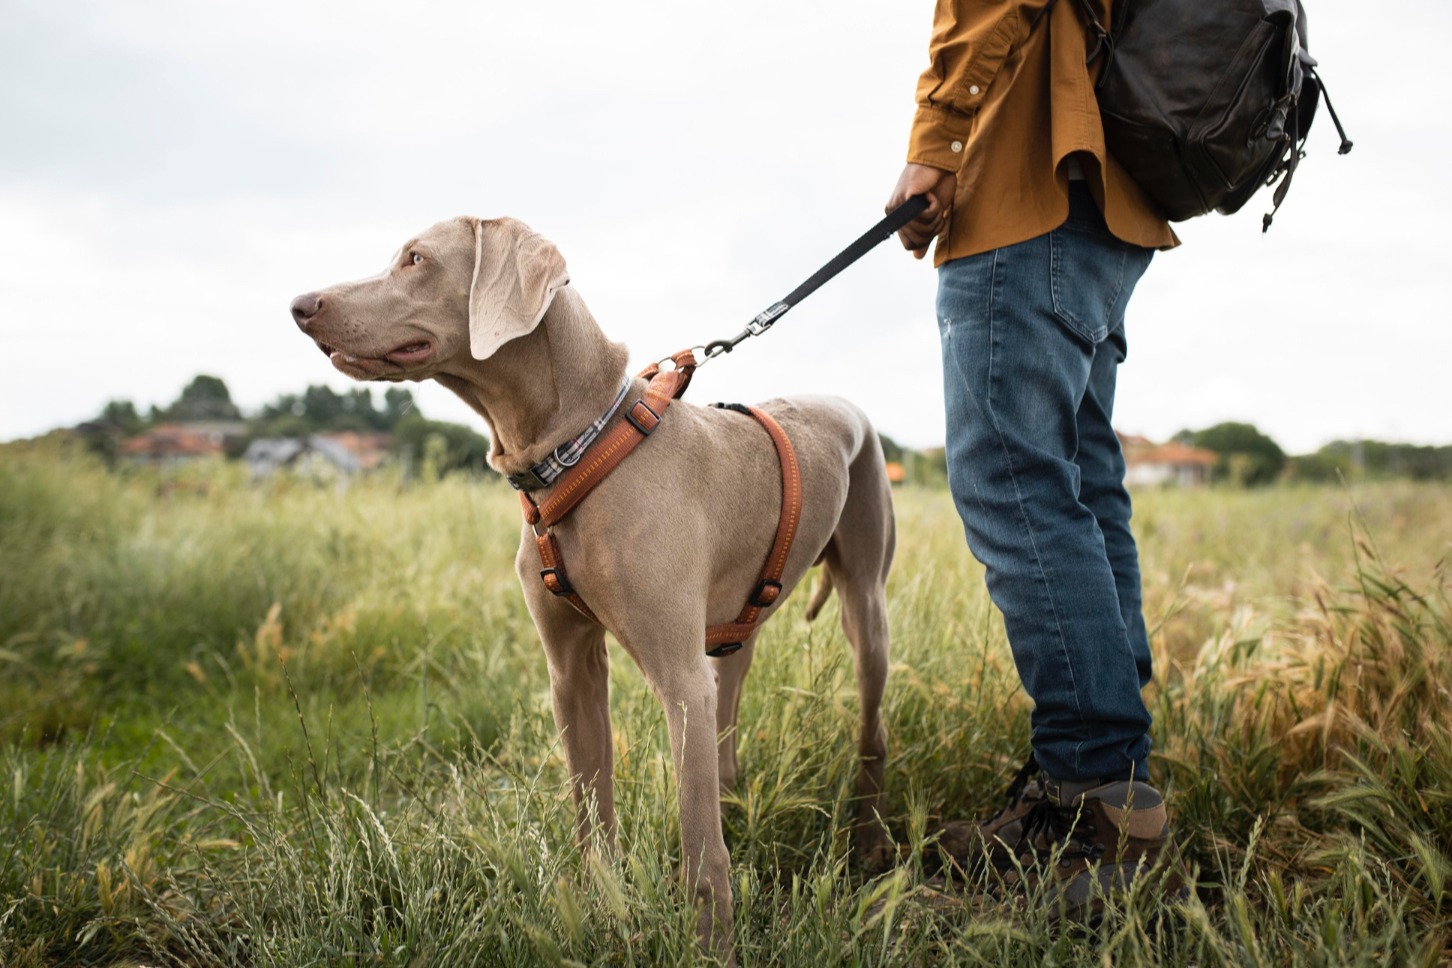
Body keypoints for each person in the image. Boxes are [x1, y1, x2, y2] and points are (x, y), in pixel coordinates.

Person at [884, 0, 1180, 914]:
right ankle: (1102, 780)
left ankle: (1098, 798)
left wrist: (933, 145)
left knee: (1014, 490)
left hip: (1028, 195)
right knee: (1081, 488)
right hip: (1106, 200)